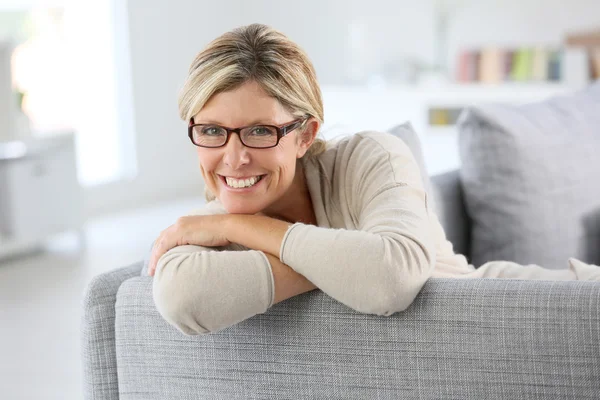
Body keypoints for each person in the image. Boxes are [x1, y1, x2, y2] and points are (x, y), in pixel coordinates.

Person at [147, 23, 600, 336]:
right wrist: (350, 264)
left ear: (305, 135)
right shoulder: (203, 231)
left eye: (261, 131)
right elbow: (181, 298)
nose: (234, 158)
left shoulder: (371, 156)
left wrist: (239, 229)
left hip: (539, 305)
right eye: (211, 131)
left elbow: (392, 277)